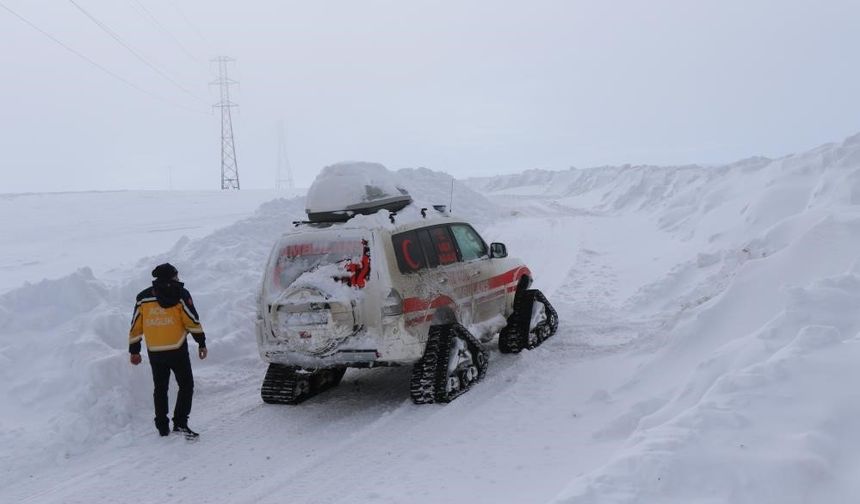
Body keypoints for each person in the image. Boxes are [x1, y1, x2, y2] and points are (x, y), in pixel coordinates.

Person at [129, 263, 207, 438]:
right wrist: (201, 342)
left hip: (154, 351)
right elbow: (191, 320)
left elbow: (135, 326)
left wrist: (134, 350)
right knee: (186, 386)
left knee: (160, 388)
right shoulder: (180, 294)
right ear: (172, 277)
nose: (178, 279)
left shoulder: (143, 298)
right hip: (177, 348)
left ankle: (162, 426)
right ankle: (180, 423)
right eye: (176, 276)